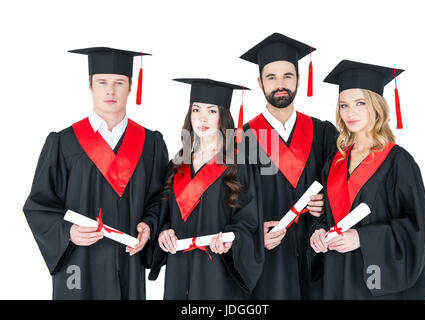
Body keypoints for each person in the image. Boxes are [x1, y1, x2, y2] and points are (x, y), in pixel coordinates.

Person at [23, 47, 169, 299]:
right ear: (90, 86)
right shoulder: (64, 142)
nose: (110, 90)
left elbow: (160, 200)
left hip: (127, 263)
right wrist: (67, 231)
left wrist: (149, 225)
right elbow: (39, 206)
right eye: (102, 82)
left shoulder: (150, 143)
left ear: (130, 86)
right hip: (79, 264)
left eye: (119, 82)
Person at [310, 60, 425, 299]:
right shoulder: (335, 161)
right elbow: (326, 215)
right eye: (344, 105)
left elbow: (415, 228)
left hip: (374, 278)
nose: (350, 112)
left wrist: (362, 238)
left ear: (377, 107)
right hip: (336, 275)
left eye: (360, 103)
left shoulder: (398, 162)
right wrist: (319, 231)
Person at [238, 33, 338, 299]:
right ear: (259, 82)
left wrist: (326, 202)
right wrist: (253, 236)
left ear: (298, 79)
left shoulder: (324, 133)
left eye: (287, 76)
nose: (280, 84)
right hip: (269, 264)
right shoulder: (241, 139)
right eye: (271, 77)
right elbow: (228, 205)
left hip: (317, 256)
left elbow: (344, 184)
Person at [149, 78, 265, 299]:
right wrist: (164, 232)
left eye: (211, 111)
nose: (202, 118)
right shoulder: (177, 165)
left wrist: (232, 239)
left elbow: (249, 222)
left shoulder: (239, 164)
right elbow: (163, 215)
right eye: (196, 110)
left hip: (218, 274)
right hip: (179, 271)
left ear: (224, 116)